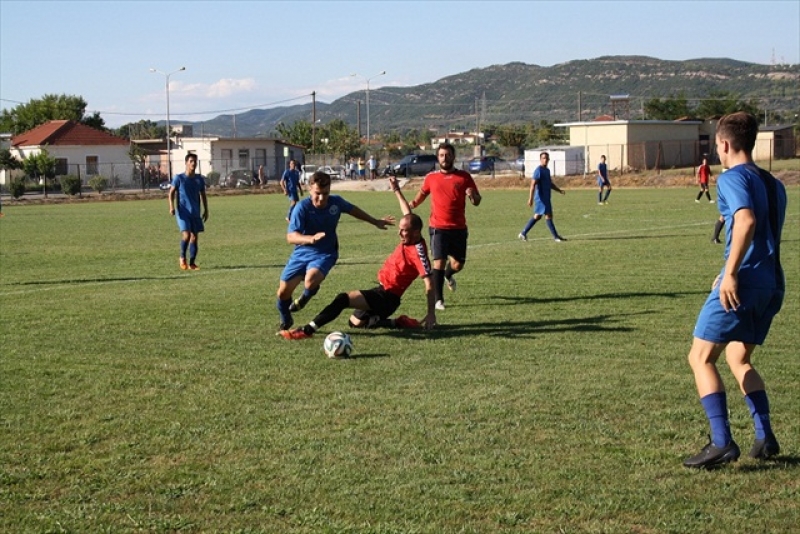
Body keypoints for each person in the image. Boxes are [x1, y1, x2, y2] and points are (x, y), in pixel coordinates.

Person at [683, 112, 787, 469]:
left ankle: (722, 442)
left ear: (724, 144)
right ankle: (765, 436)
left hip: (743, 284)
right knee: (738, 358)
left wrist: (729, 274)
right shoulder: (775, 184)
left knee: (700, 357)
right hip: (772, 284)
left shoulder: (732, 178)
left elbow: (745, 220)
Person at [279, 175, 436, 339]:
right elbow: (407, 215)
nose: (400, 233)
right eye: (401, 229)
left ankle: (306, 331)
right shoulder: (412, 232)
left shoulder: (418, 252)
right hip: (381, 291)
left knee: (342, 299)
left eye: (404, 231)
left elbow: (429, 283)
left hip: (387, 296)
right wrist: (396, 190)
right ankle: (396, 322)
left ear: (416, 232)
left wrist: (431, 313)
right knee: (355, 322)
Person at [275, 170, 395, 331]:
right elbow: (291, 237)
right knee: (283, 293)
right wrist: (309, 239)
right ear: (309, 188)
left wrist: (375, 221)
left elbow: (353, 210)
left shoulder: (335, 203)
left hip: (326, 252)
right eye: (318, 193)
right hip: (302, 252)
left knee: (311, 279)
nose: (322, 198)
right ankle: (285, 318)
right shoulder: (302, 208)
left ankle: (306, 295)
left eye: (325, 193)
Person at [408, 142, 481, 311]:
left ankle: (449, 275)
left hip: (458, 228)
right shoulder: (431, 178)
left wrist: (473, 196)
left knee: (457, 265)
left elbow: (477, 201)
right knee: (438, 262)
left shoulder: (464, 177)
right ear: (438, 157)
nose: (444, 158)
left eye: (448, 155)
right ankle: (438, 299)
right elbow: (422, 193)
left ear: (453, 157)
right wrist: (412, 204)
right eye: (441, 155)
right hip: (438, 227)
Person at [168, 153, 209, 270]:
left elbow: (203, 195)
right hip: (183, 212)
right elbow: (171, 193)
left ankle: (192, 263)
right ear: (186, 163)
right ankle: (182, 258)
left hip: (195, 212)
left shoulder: (199, 179)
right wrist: (171, 206)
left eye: (195, 161)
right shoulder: (179, 178)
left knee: (194, 237)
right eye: (191, 161)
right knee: (186, 235)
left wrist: (206, 210)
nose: (193, 163)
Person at [518, 152, 567, 243]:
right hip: (541, 198)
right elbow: (532, 185)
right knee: (548, 216)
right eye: (544, 158)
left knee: (538, 216)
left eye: (547, 158)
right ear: (540, 159)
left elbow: (550, 184)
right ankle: (556, 237)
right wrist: (530, 198)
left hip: (546, 197)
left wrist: (559, 190)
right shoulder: (538, 171)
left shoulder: (547, 170)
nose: (545, 160)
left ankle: (523, 233)